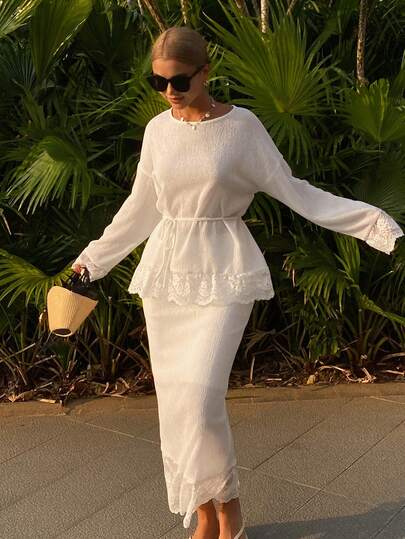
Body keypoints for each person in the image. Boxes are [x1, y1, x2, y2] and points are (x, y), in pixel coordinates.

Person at [72, 26, 403, 539]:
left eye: (179, 81)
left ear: (205, 72)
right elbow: (140, 208)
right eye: (158, 82)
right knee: (178, 402)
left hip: (225, 270)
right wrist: (88, 264)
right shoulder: (158, 131)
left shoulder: (242, 128)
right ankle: (209, 511)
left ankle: (229, 507)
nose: (169, 92)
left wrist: (376, 225)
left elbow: (295, 191)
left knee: (201, 398)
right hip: (167, 277)